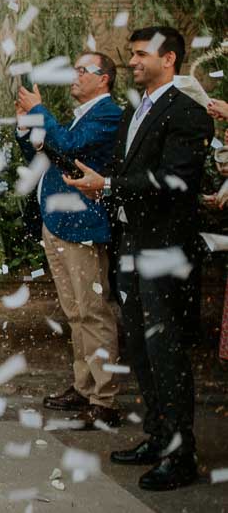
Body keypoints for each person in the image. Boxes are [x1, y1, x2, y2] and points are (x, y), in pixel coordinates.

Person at [66, 26, 214, 492]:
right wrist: (104, 183)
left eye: (140, 54)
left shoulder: (189, 114)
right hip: (132, 245)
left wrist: (107, 187)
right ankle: (155, 436)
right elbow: (126, 169)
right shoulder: (136, 110)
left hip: (166, 251)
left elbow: (172, 181)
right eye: (131, 55)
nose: (131, 62)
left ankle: (180, 454)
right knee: (144, 352)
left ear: (168, 59)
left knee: (167, 353)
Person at [14, 53, 123, 428]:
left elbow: (73, 147)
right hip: (56, 221)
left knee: (93, 311)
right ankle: (83, 385)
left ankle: (105, 398)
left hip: (82, 225)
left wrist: (42, 110)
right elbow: (43, 153)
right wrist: (27, 127)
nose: (74, 76)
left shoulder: (108, 113)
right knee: (74, 312)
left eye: (82, 70)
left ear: (104, 79)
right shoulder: (80, 116)